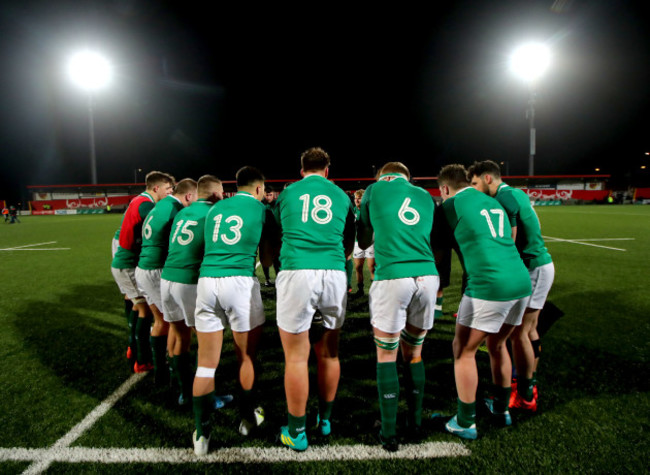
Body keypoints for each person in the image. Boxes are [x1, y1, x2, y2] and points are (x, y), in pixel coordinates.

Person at [436, 164, 531, 439]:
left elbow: (440, 257)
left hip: (490, 284)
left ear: (444, 188)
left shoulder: (449, 206)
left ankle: (465, 422)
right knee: (497, 344)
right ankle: (501, 410)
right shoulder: (491, 201)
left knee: (463, 350)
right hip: (521, 281)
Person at [273, 147, 355, 451]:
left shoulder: (288, 193)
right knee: (329, 353)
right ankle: (324, 420)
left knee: (296, 357)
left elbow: (277, 231)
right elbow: (350, 239)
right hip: (333, 272)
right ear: (327, 170)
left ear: (302, 169)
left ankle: (296, 432)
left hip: (297, 271)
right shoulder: (342, 195)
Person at [356, 162, 439, 451]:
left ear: (382, 176)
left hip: (393, 275)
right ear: (407, 177)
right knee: (414, 353)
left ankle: (389, 432)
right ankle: (415, 425)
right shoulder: (425, 195)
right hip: (428, 276)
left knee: (386, 355)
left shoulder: (374, 190)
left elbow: (363, 238)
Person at [192, 166, 272, 456]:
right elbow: (266, 253)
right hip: (238, 280)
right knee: (246, 357)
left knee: (205, 363)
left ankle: (201, 434)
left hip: (206, 280)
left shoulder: (215, 209)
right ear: (259, 189)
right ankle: (248, 419)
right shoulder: (263, 210)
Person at [467, 160, 554, 412]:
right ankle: (528, 387)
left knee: (519, 333)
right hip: (539, 264)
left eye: (474, 183)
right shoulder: (515, 193)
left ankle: (525, 394)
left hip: (532, 267)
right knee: (528, 330)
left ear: (488, 179)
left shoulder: (503, 199)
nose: (473, 189)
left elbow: (509, 242)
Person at [160, 175, 224, 406]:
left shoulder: (181, 212)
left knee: (179, 337)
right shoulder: (213, 214)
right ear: (216, 194)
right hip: (189, 280)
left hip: (167, 279)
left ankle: (184, 392)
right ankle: (206, 396)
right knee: (207, 342)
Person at [111, 171, 175, 373]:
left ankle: (134, 350)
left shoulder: (140, 201)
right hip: (128, 263)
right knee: (145, 310)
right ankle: (142, 358)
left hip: (124, 260)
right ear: (156, 188)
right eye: (167, 189)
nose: (169, 192)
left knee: (137, 306)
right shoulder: (147, 204)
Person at [136, 178, 198, 384]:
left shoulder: (161, 204)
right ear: (189, 195)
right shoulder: (176, 210)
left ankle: (163, 372)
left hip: (144, 267)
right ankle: (174, 373)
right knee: (177, 325)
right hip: (156, 268)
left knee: (164, 321)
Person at [352, 189, 376, 297]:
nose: (357, 200)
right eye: (355, 197)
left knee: (371, 267)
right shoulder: (353, 210)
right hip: (357, 242)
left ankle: (375, 290)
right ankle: (360, 290)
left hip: (369, 241)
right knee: (358, 267)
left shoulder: (369, 210)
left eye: (359, 198)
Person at [261, 185, 280, 286]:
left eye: (270, 195)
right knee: (265, 259)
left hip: (276, 235)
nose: (268, 197)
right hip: (265, 236)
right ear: (264, 194)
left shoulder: (278, 204)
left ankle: (278, 277)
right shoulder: (261, 205)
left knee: (277, 259)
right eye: (266, 195)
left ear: (273, 195)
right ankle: (267, 279)